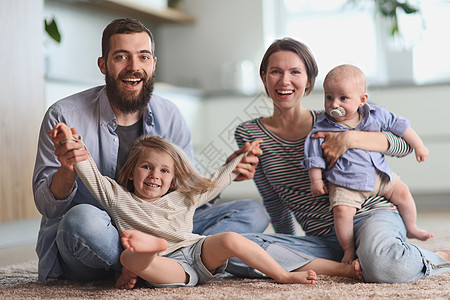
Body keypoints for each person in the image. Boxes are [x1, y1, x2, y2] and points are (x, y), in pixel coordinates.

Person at [32, 18, 269, 284]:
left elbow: (189, 194)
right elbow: (47, 206)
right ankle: (161, 266)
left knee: (252, 212)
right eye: (121, 57)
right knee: (81, 221)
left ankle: (150, 266)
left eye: (143, 57)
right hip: (100, 237)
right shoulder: (63, 114)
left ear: (153, 64)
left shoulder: (170, 114)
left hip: (161, 232)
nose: (134, 67)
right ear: (103, 65)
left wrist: (229, 171)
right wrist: (68, 170)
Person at [230, 37, 450, 283]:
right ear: (263, 77)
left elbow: (404, 145)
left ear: (309, 81)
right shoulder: (249, 134)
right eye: (275, 72)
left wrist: (350, 138)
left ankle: (437, 256)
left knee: (384, 267)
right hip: (322, 237)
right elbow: (272, 198)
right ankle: (344, 266)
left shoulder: (336, 117)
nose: (284, 81)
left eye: (295, 72)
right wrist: (288, 248)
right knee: (234, 251)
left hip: (370, 216)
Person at [48, 122, 360, 288]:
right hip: (171, 266)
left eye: (164, 171)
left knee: (230, 240)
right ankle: (145, 252)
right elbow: (86, 167)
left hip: (196, 251)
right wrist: (70, 142)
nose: (155, 176)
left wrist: (240, 158)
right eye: (146, 168)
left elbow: (216, 181)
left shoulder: (184, 196)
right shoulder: (117, 196)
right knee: (134, 259)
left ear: (173, 180)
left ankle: (284, 274)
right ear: (130, 173)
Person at [302, 64, 432, 264]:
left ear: (362, 99)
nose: (334, 104)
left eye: (343, 98)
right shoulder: (322, 126)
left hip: (380, 176)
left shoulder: (375, 115)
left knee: (403, 193)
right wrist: (316, 179)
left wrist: (419, 146)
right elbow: (313, 155)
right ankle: (348, 248)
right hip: (346, 184)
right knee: (342, 213)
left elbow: (401, 126)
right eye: (329, 97)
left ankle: (412, 227)